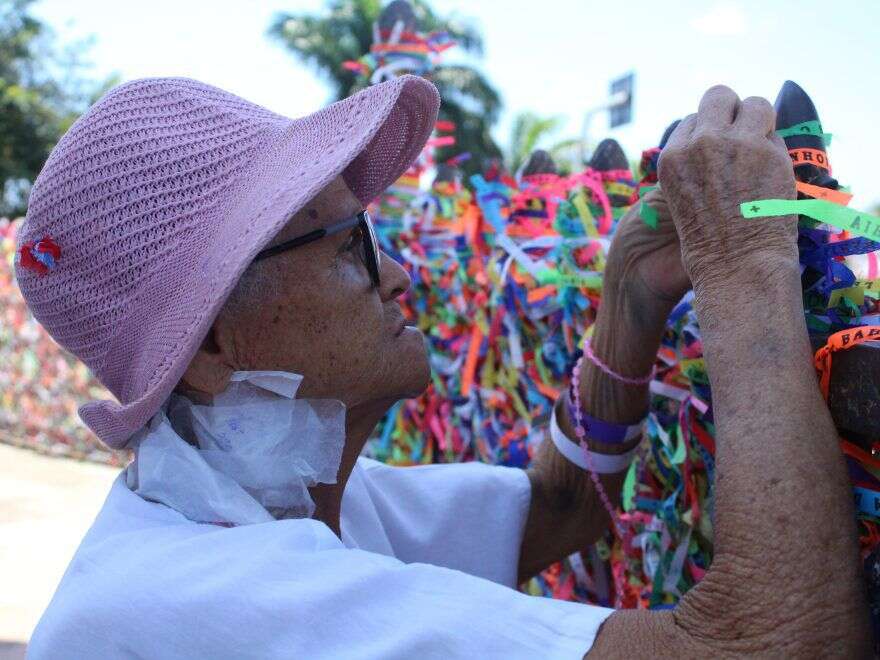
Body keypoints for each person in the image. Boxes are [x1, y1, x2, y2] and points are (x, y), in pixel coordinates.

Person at [18, 76, 868, 657]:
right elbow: (775, 645)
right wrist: (744, 259)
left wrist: (630, 296)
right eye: (349, 243)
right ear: (211, 345)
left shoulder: (284, 500)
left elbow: (563, 506)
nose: (398, 272)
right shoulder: (204, 601)